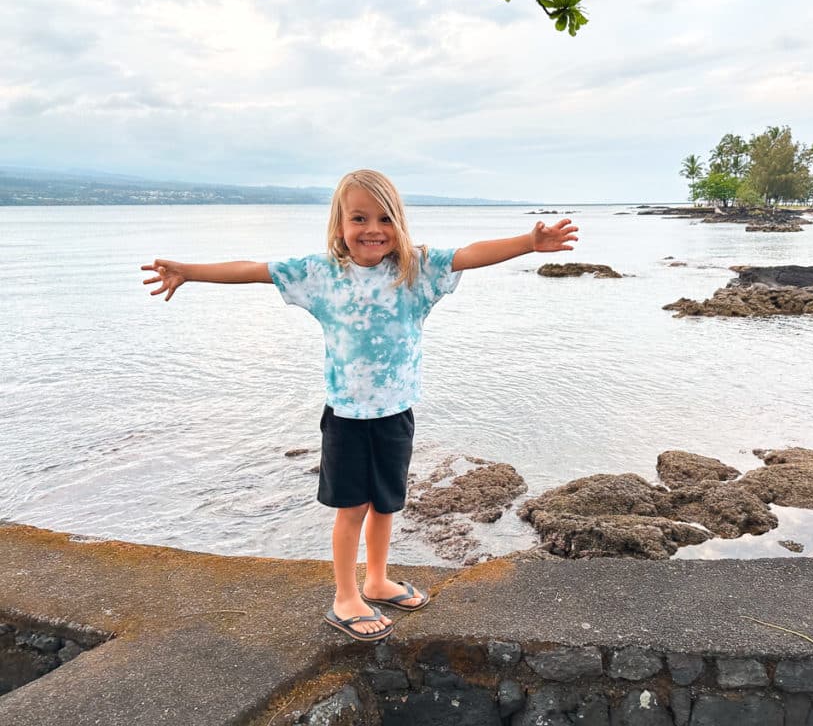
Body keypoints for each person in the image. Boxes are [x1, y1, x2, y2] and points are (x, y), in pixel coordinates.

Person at [141, 169, 578, 642]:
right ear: (340, 225)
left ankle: (377, 579)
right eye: (360, 218)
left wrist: (528, 243)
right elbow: (253, 269)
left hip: (396, 413)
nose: (373, 228)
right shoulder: (321, 274)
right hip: (347, 418)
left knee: (386, 504)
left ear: (399, 223)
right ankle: (345, 596)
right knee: (353, 508)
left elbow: (469, 255)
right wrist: (189, 271)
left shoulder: (415, 270)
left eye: (385, 217)